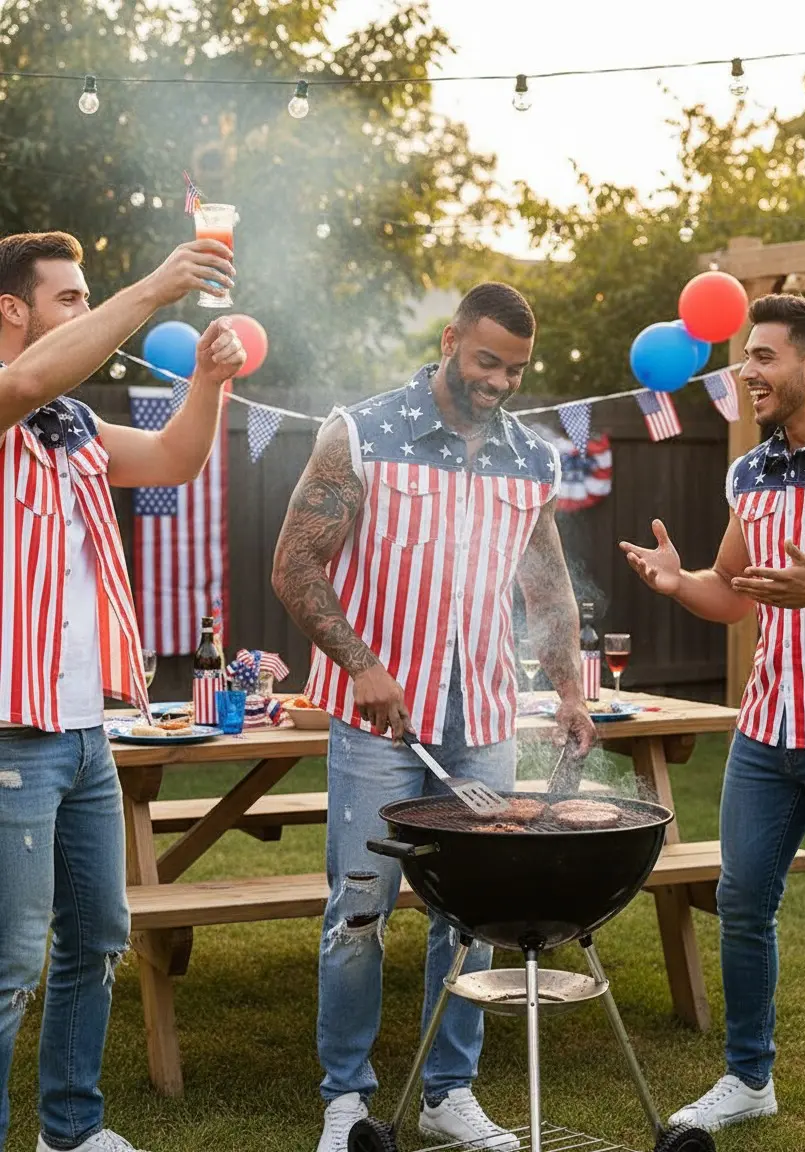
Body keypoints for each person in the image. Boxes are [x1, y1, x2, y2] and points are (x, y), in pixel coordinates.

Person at [272, 282, 596, 1152]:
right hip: (377, 718)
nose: (499, 381)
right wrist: (363, 664)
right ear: (451, 339)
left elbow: (547, 585)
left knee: (476, 910)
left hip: (485, 712)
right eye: (487, 360)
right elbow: (296, 566)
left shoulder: (532, 458)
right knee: (360, 907)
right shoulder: (362, 433)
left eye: (517, 369)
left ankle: (448, 1092)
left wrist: (568, 685)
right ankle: (347, 1095)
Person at [0, 230, 244, 1152]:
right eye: (70, 298)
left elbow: (176, 461)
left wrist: (209, 386)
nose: (88, 312)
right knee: (13, 958)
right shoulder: (12, 400)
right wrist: (154, 286)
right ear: (11, 311)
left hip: (85, 731)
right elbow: (24, 383)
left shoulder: (75, 429)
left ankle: (71, 1131)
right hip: (10, 734)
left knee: (95, 940)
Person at [620, 294, 805, 1151]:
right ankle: (748, 1079)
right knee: (741, 901)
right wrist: (678, 581)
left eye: (761, 357)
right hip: (767, 729)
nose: (745, 373)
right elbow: (732, 592)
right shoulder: (751, 472)